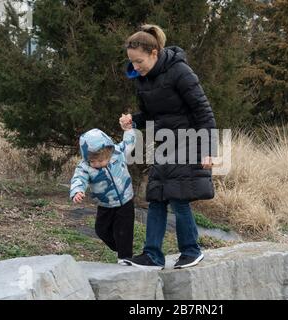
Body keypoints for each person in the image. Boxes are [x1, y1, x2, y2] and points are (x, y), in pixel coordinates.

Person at [120, 24, 216, 270]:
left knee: (178, 196)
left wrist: (209, 150)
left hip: (189, 140)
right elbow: (152, 114)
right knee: (157, 197)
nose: (135, 67)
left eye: (139, 61)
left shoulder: (180, 71)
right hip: (164, 142)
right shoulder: (143, 79)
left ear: (154, 53)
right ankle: (152, 256)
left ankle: (192, 251)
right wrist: (134, 120)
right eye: (132, 62)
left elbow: (204, 111)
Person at [70, 122, 136, 265]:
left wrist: (129, 129)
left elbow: (129, 142)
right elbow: (78, 179)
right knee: (101, 230)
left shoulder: (118, 152)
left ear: (109, 151)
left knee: (124, 230)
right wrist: (77, 191)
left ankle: (125, 257)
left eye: (102, 160)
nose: (100, 164)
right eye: (95, 161)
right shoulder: (85, 167)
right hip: (105, 204)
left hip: (125, 201)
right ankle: (119, 246)